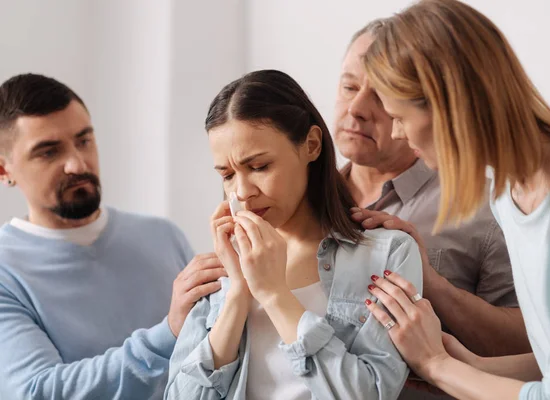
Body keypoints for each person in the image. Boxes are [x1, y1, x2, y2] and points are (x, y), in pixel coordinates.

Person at [356, 0, 550, 398]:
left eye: (398, 116)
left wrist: (438, 366)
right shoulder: (509, 190)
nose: (397, 134)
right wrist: (469, 364)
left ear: (448, 106)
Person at [164, 69, 423, 400]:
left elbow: (367, 394)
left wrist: (274, 294)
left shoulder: (388, 254)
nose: (242, 192)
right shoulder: (221, 273)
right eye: (228, 175)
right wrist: (239, 292)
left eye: (259, 167)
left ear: (311, 146)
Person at [0, 73, 225, 399]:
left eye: (84, 140)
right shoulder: (6, 270)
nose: (77, 164)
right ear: (5, 170)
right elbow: (37, 392)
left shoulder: (163, 236)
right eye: (49, 152)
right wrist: (168, 334)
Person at [334, 19, 529, 365]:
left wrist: (433, 286)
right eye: (349, 87)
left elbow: (530, 348)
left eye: (380, 95)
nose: (356, 109)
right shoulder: (295, 197)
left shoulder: (490, 207)